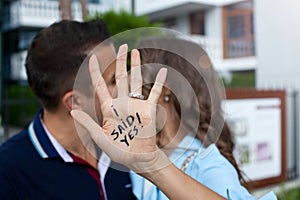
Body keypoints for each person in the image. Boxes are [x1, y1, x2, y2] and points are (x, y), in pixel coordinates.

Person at [71, 37, 277, 200]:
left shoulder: (208, 167)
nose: (124, 91)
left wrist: (153, 166)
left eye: (138, 76)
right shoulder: (130, 153)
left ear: (165, 90)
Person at [0, 20, 136, 199]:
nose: (125, 83)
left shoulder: (123, 145)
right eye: (113, 80)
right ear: (75, 101)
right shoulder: (8, 174)